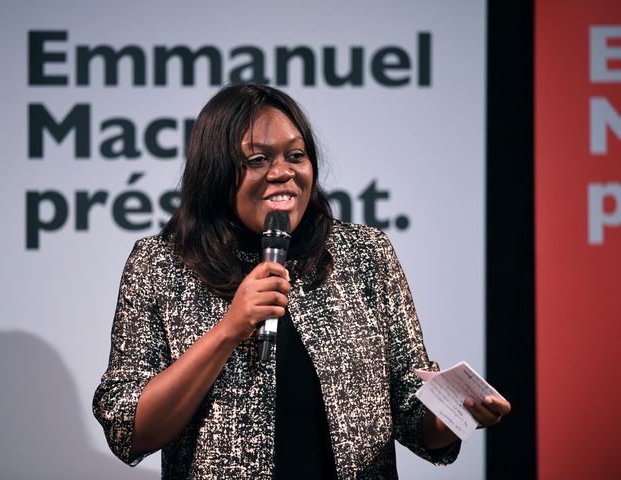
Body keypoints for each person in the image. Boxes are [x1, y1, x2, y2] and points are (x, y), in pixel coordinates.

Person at [92, 83, 510, 479]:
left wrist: (457, 414)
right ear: (216, 172)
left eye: (296, 155)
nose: (283, 173)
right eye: (258, 160)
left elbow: (411, 411)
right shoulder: (162, 264)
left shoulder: (363, 253)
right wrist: (228, 330)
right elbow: (128, 430)